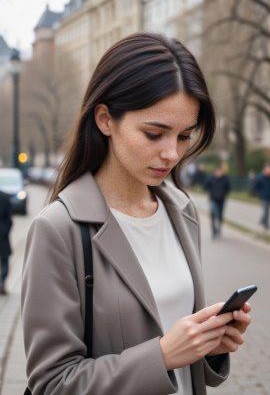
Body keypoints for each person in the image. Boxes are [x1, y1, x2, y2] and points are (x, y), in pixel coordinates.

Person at [21, 32, 252, 395]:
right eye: (154, 134)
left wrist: (209, 345)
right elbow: (52, 383)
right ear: (105, 120)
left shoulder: (183, 211)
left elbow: (181, 351)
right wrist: (160, 356)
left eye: (183, 136)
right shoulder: (58, 229)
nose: (172, 154)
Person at [204, 166, 231, 237]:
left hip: (221, 199)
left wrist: (224, 194)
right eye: (218, 172)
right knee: (213, 213)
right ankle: (213, 229)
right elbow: (205, 187)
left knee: (220, 215)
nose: (219, 173)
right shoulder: (210, 179)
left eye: (220, 172)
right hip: (213, 199)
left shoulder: (225, 179)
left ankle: (219, 227)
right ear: (215, 172)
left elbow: (228, 188)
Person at [0, 190, 12, 295]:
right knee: (4, 261)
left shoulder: (4, 198)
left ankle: (2, 282)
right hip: (3, 235)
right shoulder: (5, 197)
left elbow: (9, 219)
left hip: (2, 236)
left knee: (4, 261)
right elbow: (9, 219)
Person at [253, 162, 270, 231]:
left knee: (266, 211)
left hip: (269, 196)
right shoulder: (260, 177)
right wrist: (258, 193)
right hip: (262, 196)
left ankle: (261, 221)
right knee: (265, 210)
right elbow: (255, 186)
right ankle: (265, 225)